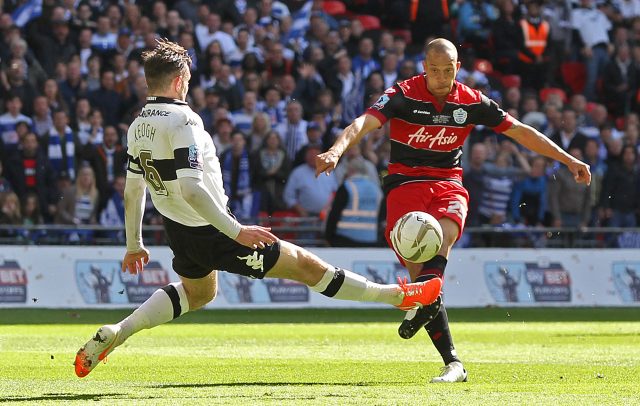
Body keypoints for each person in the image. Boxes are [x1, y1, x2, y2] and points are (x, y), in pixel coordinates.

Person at [74, 40, 442, 378]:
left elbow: (133, 189)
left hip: (178, 231)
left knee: (200, 293)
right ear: (180, 80)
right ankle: (397, 296)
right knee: (305, 266)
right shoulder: (184, 120)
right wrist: (236, 231)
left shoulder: (137, 126)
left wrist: (134, 243)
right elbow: (192, 187)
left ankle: (119, 332)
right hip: (212, 229)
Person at [316, 38, 591, 383]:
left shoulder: (471, 100)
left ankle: (450, 358)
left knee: (439, 244)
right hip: (404, 187)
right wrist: (336, 151)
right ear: (424, 68)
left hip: (449, 184)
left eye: (449, 70)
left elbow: (520, 132)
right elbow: (362, 123)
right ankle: (450, 354)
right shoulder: (402, 94)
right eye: (435, 70)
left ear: (457, 67)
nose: (442, 76)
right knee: (424, 279)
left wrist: (567, 159)